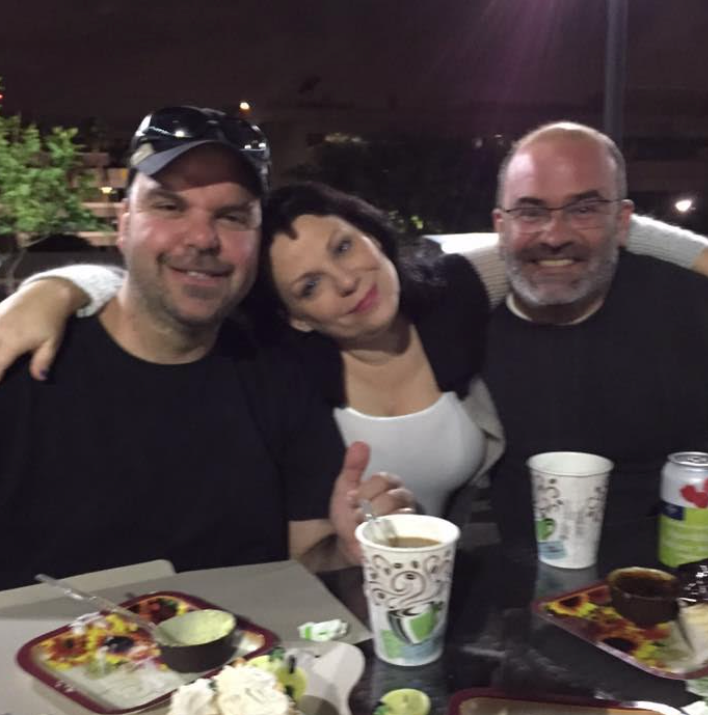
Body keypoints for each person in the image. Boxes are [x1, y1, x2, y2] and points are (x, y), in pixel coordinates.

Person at [1, 175, 708, 521]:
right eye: (309, 285)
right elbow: (161, 296)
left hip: (463, 588)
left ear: (373, 234)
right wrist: (62, 286)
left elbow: (554, 233)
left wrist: (701, 253)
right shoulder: (278, 367)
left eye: (344, 247)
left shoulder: (450, 294)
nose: (346, 281)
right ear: (296, 318)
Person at [0, 106, 412, 589]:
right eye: (169, 207)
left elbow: (305, 559)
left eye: (232, 216)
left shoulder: (281, 375)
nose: (201, 238)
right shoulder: (20, 361)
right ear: (124, 222)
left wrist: (346, 549)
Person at [482, 120, 708, 540]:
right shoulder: (462, 322)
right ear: (501, 225)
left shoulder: (692, 310)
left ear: (622, 222)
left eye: (584, 209)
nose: (554, 236)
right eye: (530, 212)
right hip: (517, 574)